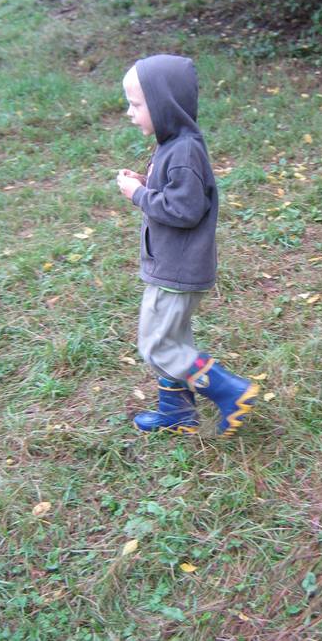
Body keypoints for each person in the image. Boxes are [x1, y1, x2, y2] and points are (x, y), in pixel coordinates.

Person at [116, 54, 259, 438]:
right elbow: (176, 193)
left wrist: (138, 195)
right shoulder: (174, 145)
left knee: (158, 346)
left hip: (175, 271)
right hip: (172, 266)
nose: (130, 113)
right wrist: (146, 183)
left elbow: (184, 209)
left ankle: (230, 391)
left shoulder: (183, 152)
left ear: (163, 104)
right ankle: (177, 413)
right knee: (173, 340)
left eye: (136, 104)